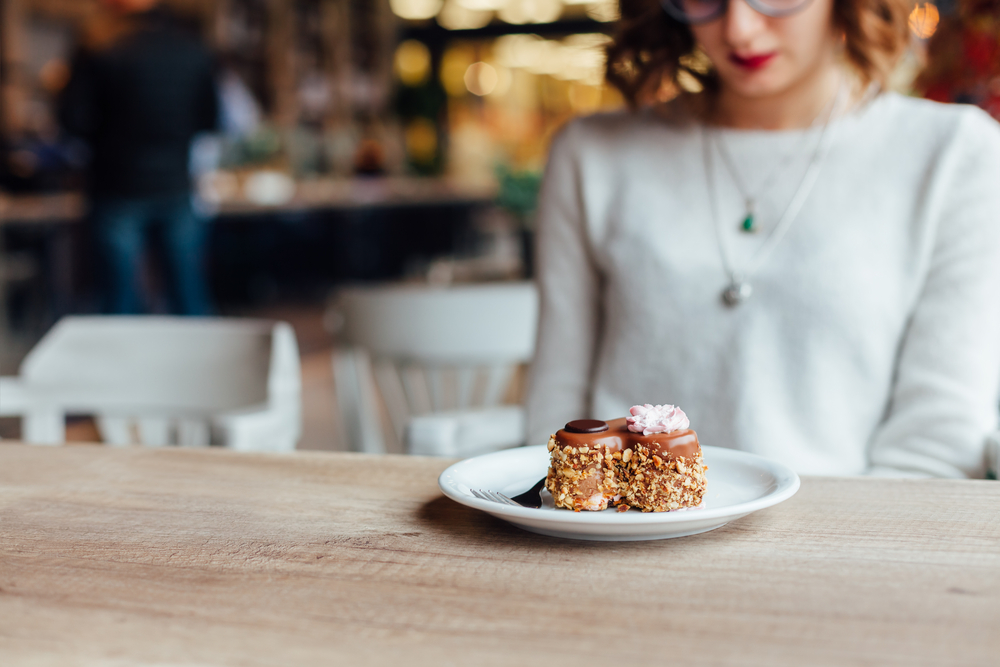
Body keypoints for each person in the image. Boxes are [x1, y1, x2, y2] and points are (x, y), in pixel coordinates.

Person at [526, 0, 1000, 478]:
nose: (739, 29)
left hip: (849, 539)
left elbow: (935, 445)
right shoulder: (591, 156)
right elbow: (556, 411)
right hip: (620, 536)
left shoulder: (954, 156)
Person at [59, 0, 218, 315]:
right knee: (188, 295)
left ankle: (123, 364)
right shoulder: (193, 50)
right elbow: (208, 121)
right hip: (176, 186)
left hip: (117, 187)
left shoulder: (99, 47)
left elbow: (73, 121)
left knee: (119, 300)